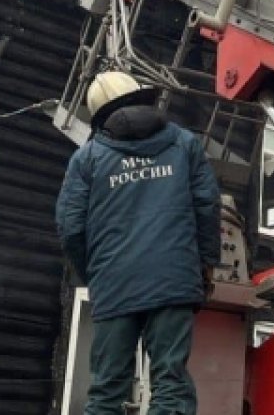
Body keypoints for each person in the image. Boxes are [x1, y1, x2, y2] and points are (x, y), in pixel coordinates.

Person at [56, 70, 220, 415]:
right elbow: (207, 207)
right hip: (173, 279)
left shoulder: (87, 159)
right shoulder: (184, 144)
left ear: (99, 115)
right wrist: (204, 265)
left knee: (105, 392)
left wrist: (95, 275)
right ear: (140, 97)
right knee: (169, 384)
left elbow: (70, 228)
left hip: (114, 283)